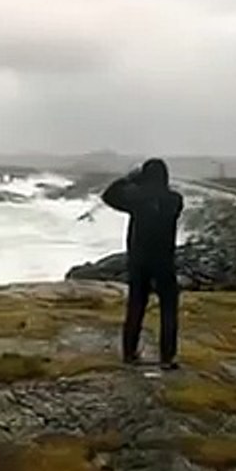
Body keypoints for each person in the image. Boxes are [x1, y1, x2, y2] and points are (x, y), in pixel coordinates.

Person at [101, 158, 184, 369]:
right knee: (169, 308)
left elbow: (109, 195)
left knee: (136, 306)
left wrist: (131, 178)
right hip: (164, 260)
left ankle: (129, 354)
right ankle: (167, 357)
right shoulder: (174, 200)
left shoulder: (137, 199)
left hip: (139, 260)